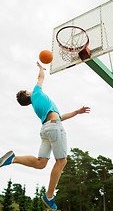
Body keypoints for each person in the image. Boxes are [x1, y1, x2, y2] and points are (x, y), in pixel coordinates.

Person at [0, 61, 90, 210]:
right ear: (28, 94)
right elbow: (40, 78)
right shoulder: (36, 93)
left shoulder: (38, 104)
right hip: (54, 128)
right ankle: (48, 197)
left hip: (47, 129)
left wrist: (76, 112)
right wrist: (41, 68)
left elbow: (60, 117)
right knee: (61, 162)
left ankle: (12, 159)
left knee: (41, 163)